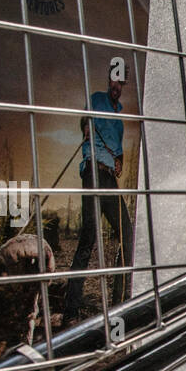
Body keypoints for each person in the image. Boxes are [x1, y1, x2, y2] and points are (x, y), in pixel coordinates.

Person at [63, 64, 133, 323]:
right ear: (108, 81)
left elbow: (120, 152)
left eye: (120, 85)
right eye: (113, 83)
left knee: (127, 233)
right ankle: (70, 312)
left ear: (123, 85)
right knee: (87, 239)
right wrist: (86, 127)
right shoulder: (96, 100)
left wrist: (120, 162)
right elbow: (84, 121)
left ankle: (118, 305)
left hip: (109, 180)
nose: (116, 88)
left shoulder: (120, 121)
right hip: (93, 173)